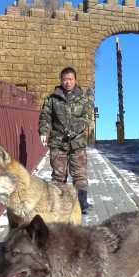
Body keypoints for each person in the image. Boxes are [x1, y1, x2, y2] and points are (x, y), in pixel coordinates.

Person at [38, 66, 94, 213]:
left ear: (75, 80)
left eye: (70, 79)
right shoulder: (52, 99)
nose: (67, 82)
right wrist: (44, 131)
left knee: (80, 175)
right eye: (64, 79)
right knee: (58, 176)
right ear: (61, 81)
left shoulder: (83, 99)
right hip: (58, 143)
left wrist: (76, 128)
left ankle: (81, 205)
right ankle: (58, 205)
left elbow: (88, 117)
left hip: (77, 144)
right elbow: (45, 116)